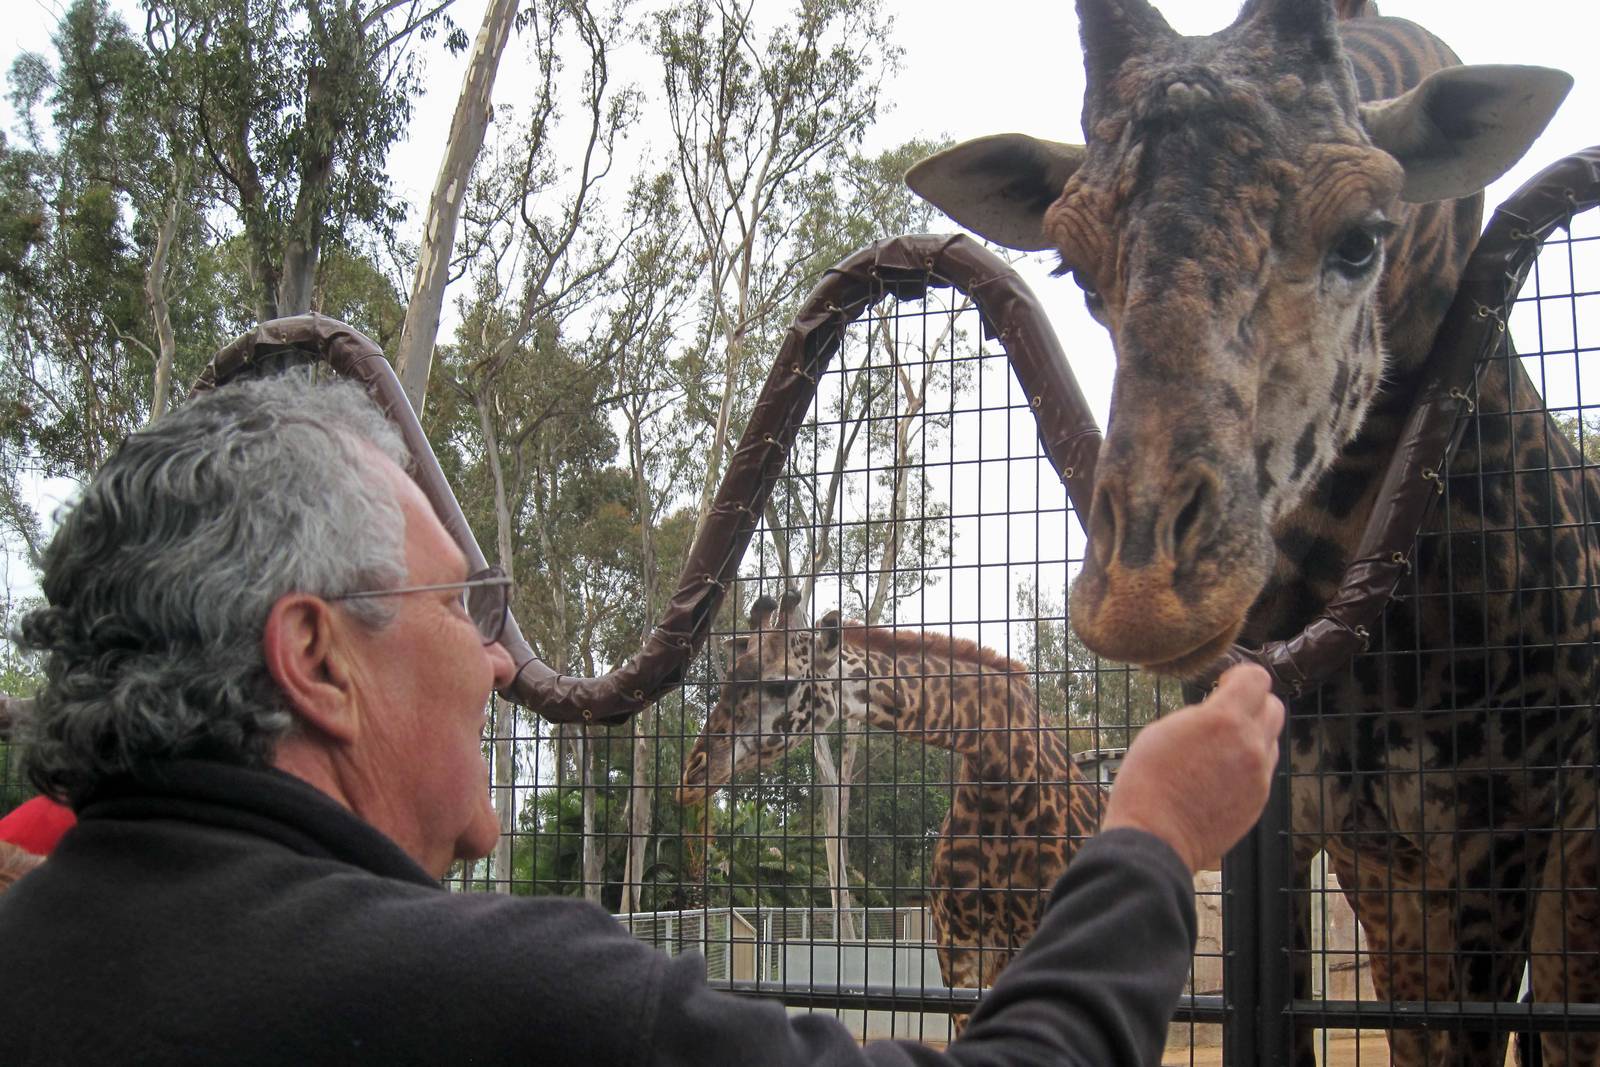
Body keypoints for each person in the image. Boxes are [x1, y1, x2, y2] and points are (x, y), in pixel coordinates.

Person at [0, 371, 1284, 1066]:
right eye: (467, 604)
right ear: (317, 660)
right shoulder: (503, 1001)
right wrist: (1154, 839)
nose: (501, 661)